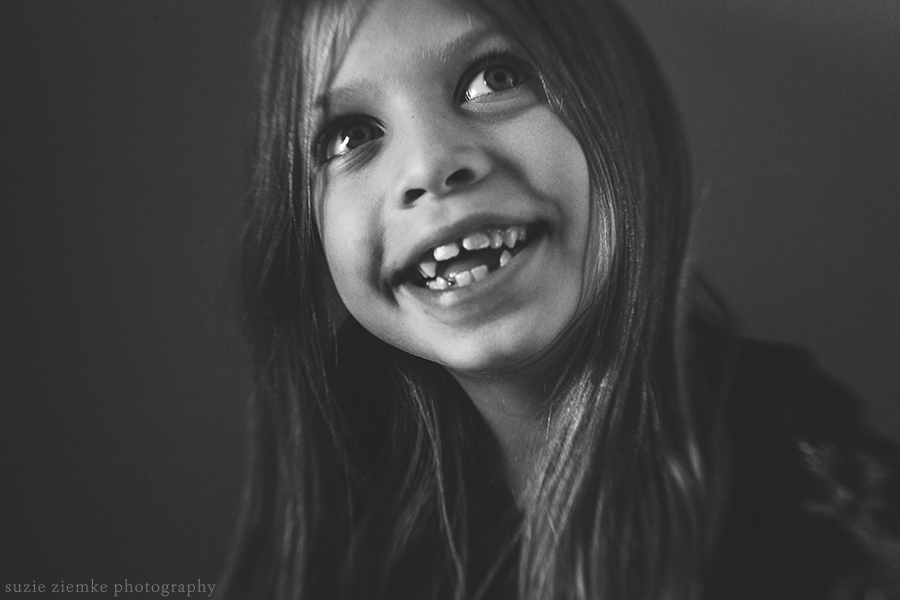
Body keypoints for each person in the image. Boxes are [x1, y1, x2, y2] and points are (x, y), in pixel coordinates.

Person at [220, 0, 900, 598]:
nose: (428, 165)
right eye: (349, 136)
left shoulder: (792, 478)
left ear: (618, 109)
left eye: (494, 78)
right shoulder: (349, 488)